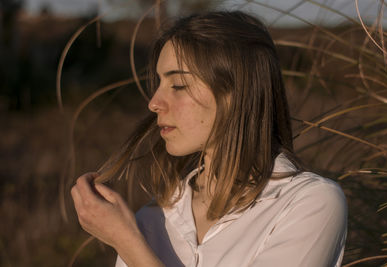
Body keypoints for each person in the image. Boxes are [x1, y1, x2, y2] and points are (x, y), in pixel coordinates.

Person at [71, 11, 347, 267]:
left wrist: (127, 243)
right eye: (158, 84)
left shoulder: (309, 203)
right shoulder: (152, 220)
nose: (154, 103)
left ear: (237, 94)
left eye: (178, 85)